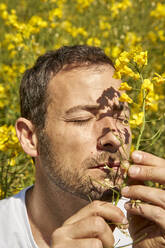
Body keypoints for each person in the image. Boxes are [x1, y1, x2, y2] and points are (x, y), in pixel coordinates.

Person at [0, 45, 164, 248]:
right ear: (30, 137)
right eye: (82, 119)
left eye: (122, 118)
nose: (113, 137)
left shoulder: (148, 227)